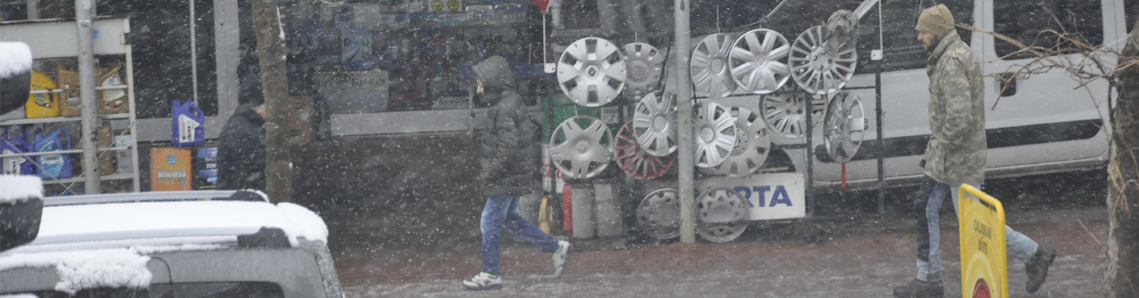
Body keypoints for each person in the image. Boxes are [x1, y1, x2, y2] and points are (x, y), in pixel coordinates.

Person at [892, 5, 1056, 297]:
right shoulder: (948, 56)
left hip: (957, 158)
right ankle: (928, 277)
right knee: (925, 206)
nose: (918, 37)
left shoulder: (953, 61)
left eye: (923, 31)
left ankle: (1034, 253)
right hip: (949, 156)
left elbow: (959, 118)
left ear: (938, 31)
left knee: (978, 223)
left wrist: (941, 150)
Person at [462, 55, 571, 290]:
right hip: (512, 174)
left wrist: (489, 173)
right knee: (511, 220)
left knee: (489, 222)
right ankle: (555, 247)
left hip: (505, 176)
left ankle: (491, 273)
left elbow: (507, 147)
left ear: (493, 83)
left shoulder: (504, 108)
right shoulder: (509, 101)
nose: (478, 88)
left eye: (481, 83)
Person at [217, 98, 266, 191]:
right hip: (243, 197)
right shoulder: (248, 131)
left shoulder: (240, 123)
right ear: (258, 107)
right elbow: (251, 172)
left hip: (233, 194)